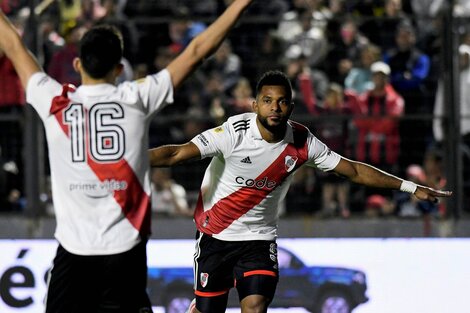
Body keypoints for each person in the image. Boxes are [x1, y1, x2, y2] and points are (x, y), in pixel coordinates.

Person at [0, 1, 253, 312]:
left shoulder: (55, 102)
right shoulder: (136, 98)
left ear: (78, 64)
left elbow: (13, 45)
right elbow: (198, 50)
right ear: (120, 69)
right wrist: (240, 4)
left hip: (73, 255)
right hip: (125, 254)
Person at [148, 70, 452, 313]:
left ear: (290, 106)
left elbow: (354, 170)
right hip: (216, 236)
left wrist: (410, 186)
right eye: (267, 101)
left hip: (259, 239)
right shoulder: (233, 133)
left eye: (281, 102)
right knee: (207, 309)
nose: (274, 108)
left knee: (255, 305)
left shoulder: (303, 142)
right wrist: (126, 160)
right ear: (255, 105)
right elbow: (176, 153)